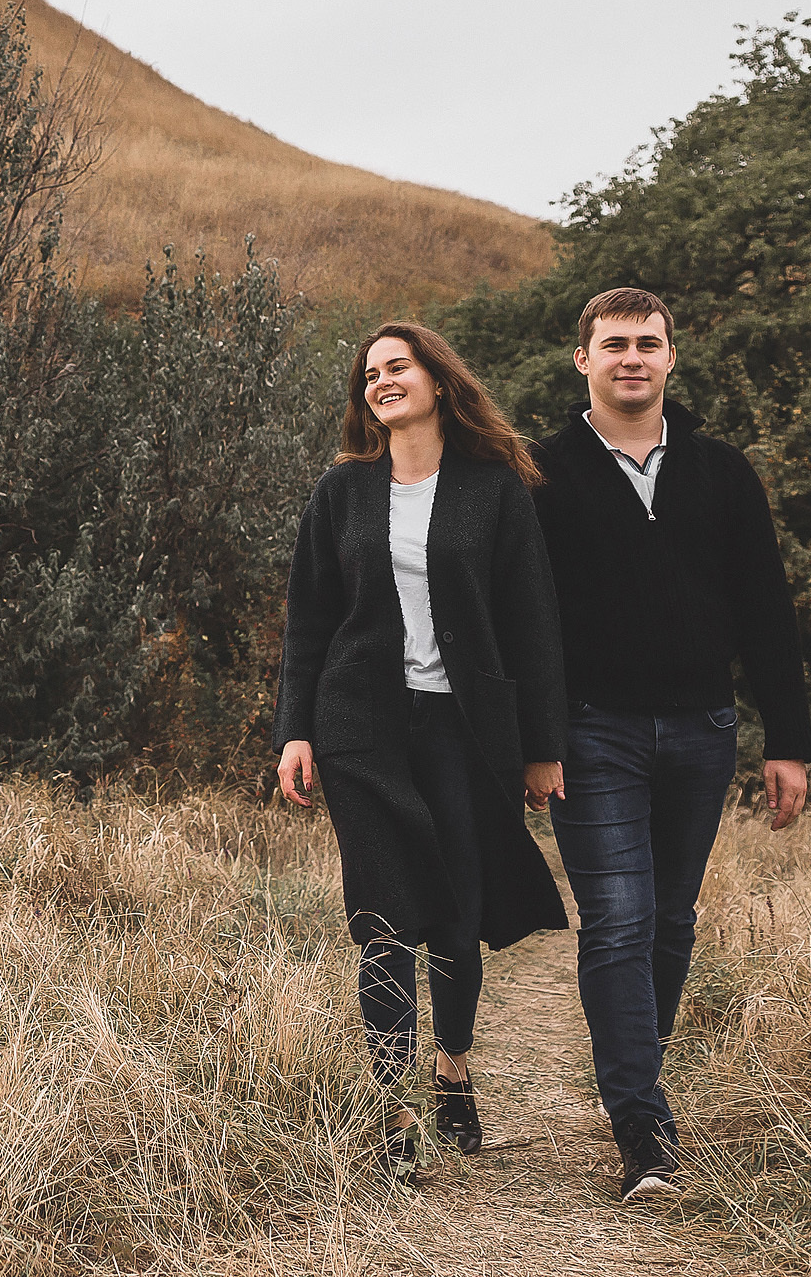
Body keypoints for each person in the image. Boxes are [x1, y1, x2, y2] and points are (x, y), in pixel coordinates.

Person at [531, 287, 811, 1203]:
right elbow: (523, 620)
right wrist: (533, 741)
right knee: (617, 919)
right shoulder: (541, 472)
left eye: (647, 344)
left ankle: (628, 1072)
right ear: (583, 359)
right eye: (613, 344)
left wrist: (790, 741)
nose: (631, 359)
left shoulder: (723, 471)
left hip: (704, 729)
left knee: (670, 920)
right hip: (592, 729)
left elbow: (768, 611)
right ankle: (643, 1130)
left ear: (671, 357)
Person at [274, 322, 570, 1182]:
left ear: (438, 381)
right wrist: (296, 728)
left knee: (457, 911)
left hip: (464, 728)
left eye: (397, 367)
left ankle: (453, 1068)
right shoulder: (343, 491)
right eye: (370, 373)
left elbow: (533, 620)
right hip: (361, 728)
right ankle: (394, 1106)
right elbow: (309, 617)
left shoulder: (495, 489)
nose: (380, 382)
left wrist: (541, 747)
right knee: (383, 915)